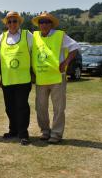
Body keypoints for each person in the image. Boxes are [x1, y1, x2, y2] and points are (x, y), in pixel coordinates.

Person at [31, 12, 80, 144]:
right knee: (40, 107)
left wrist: (66, 62)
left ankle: (56, 134)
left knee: (58, 108)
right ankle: (45, 131)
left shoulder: (60, 35)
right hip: (41, 78)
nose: (44, 24)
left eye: (47, 22)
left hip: (57, 78)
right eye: (41, 22)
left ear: (51, 24)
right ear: (38, 24)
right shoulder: (34, 36)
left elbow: (75, 47)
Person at [0, 11, 33, 145]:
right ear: (6, 23)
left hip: (23, 79)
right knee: (9, 107)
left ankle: (23, 134)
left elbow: (34, 54)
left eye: (14, 21)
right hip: (7, 79)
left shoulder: (27, 35)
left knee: (22, 106)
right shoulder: (1, 37)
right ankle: (13, 130)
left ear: (19, 22)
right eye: (9, 21)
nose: (12, 24)